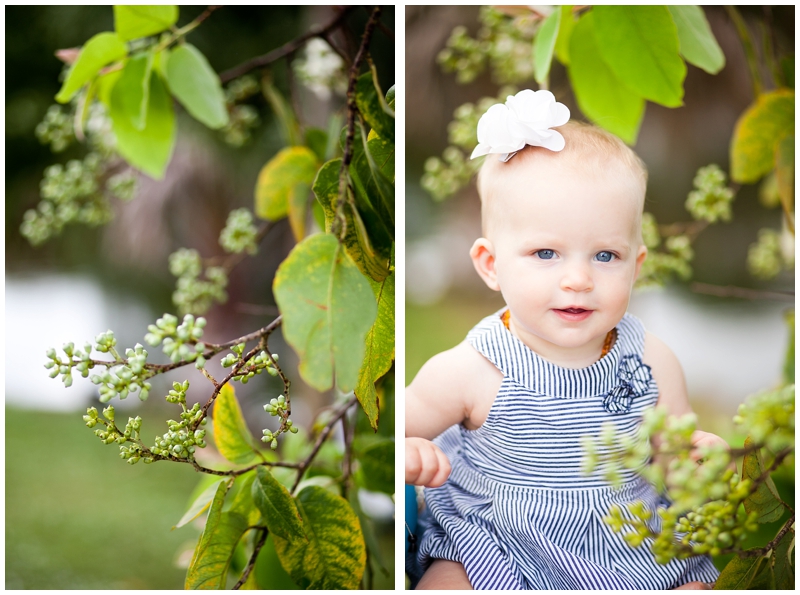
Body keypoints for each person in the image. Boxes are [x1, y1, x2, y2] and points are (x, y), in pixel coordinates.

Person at [405, 90, 725, 590]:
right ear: (491, 265)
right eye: (546, 253)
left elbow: (674, 456)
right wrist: (408, 451)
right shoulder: (473, 369)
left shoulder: (649, 361)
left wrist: (697, 459)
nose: (578, 279)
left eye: (604, 256)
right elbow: (397, 425)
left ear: (635, 265)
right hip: (496, 545)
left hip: (629, 548)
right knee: (447, 584)